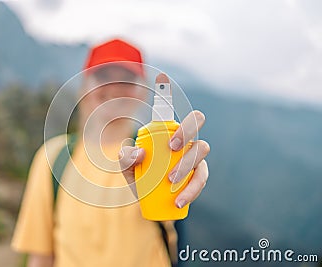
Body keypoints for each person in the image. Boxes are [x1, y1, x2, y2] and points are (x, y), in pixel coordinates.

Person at [11, 38, 210, 267]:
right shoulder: (53, 158)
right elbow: (41, 258)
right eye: (103, 77)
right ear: (85, 87)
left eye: (126, 79)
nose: (114, 87)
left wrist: (179, 163)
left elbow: (173, 230)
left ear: (142, 91)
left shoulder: (156, 154)